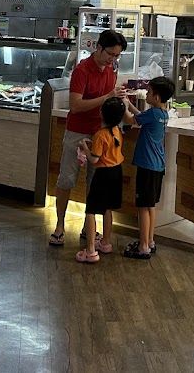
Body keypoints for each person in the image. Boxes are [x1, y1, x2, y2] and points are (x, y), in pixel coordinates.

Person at [49, 29, 127, 247]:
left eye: (116, 56)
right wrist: (107, 97)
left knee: (95, 184)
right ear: (98, 48)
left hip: (100, 133)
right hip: (77, 132)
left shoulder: (112, 69)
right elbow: (76, 105)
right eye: (110, 54)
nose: (112, 59)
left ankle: (88, 227)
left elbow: (109, 101)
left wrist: (119, 101)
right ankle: (60, 225)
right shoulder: (82, 70)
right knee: (67, 179)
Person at [123, 76, 174, 260]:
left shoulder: (152, 114)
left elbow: (131, 120)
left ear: (157, 97)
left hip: (146, 165)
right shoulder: (162, 114)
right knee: (151, 205)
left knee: (143, 207)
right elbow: (139, 117)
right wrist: (130, 103)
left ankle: (143, 246)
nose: (146, 94)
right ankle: (150, 241)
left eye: (150, 92)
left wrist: (122, 104)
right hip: (158, 166)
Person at [75, 97, 127, 264]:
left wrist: (84, 146)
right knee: (107, 208)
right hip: (117, 172)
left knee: (91, 211)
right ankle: (105, 242)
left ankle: (90, 251)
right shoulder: (118, 131)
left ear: (101, 113)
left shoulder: (100, 134)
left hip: (103, 175)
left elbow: (95, 159)